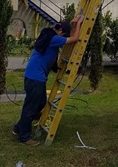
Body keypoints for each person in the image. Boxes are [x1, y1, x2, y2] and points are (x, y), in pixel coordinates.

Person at [12, 13, 84, 146]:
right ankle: (24, 137)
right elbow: (75, 38)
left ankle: (19, 127)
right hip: (35, 78)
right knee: (31, 107)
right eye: (64, 34)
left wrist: (74, 21)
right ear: (60, 31)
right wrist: (79, 24)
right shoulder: (54, 38)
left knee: (40, 104)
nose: (64, 38)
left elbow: (67, 30)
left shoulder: (48, 35)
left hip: (34, 76)